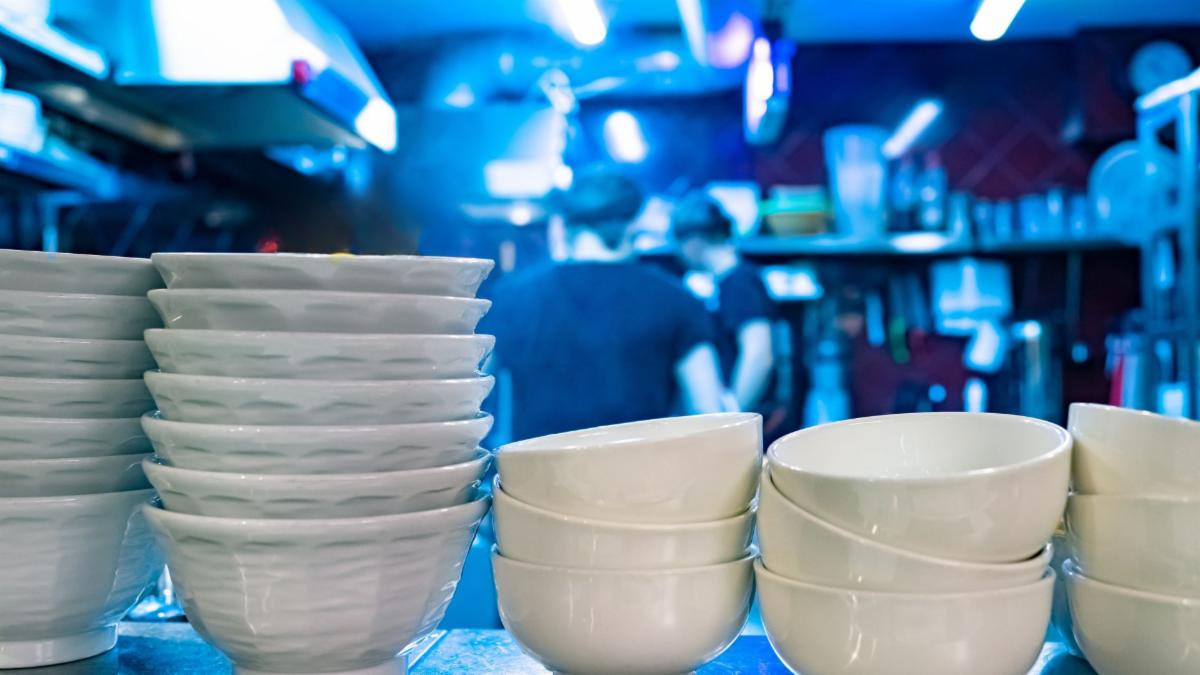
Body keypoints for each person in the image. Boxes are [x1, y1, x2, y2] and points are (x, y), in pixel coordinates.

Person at [482, 170, 731, 441]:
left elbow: (466, 396)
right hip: (642, 479)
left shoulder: (511, 296)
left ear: (564, 227)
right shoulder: (679, 299)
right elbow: (708, 412)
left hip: (534, 479)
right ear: (633, 225)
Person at [672, 192, 777, 412]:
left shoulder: (740, 283)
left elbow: (759, 355)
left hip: (747, 422)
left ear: (693, 241)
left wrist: (733, 418)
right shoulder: (728, 283)